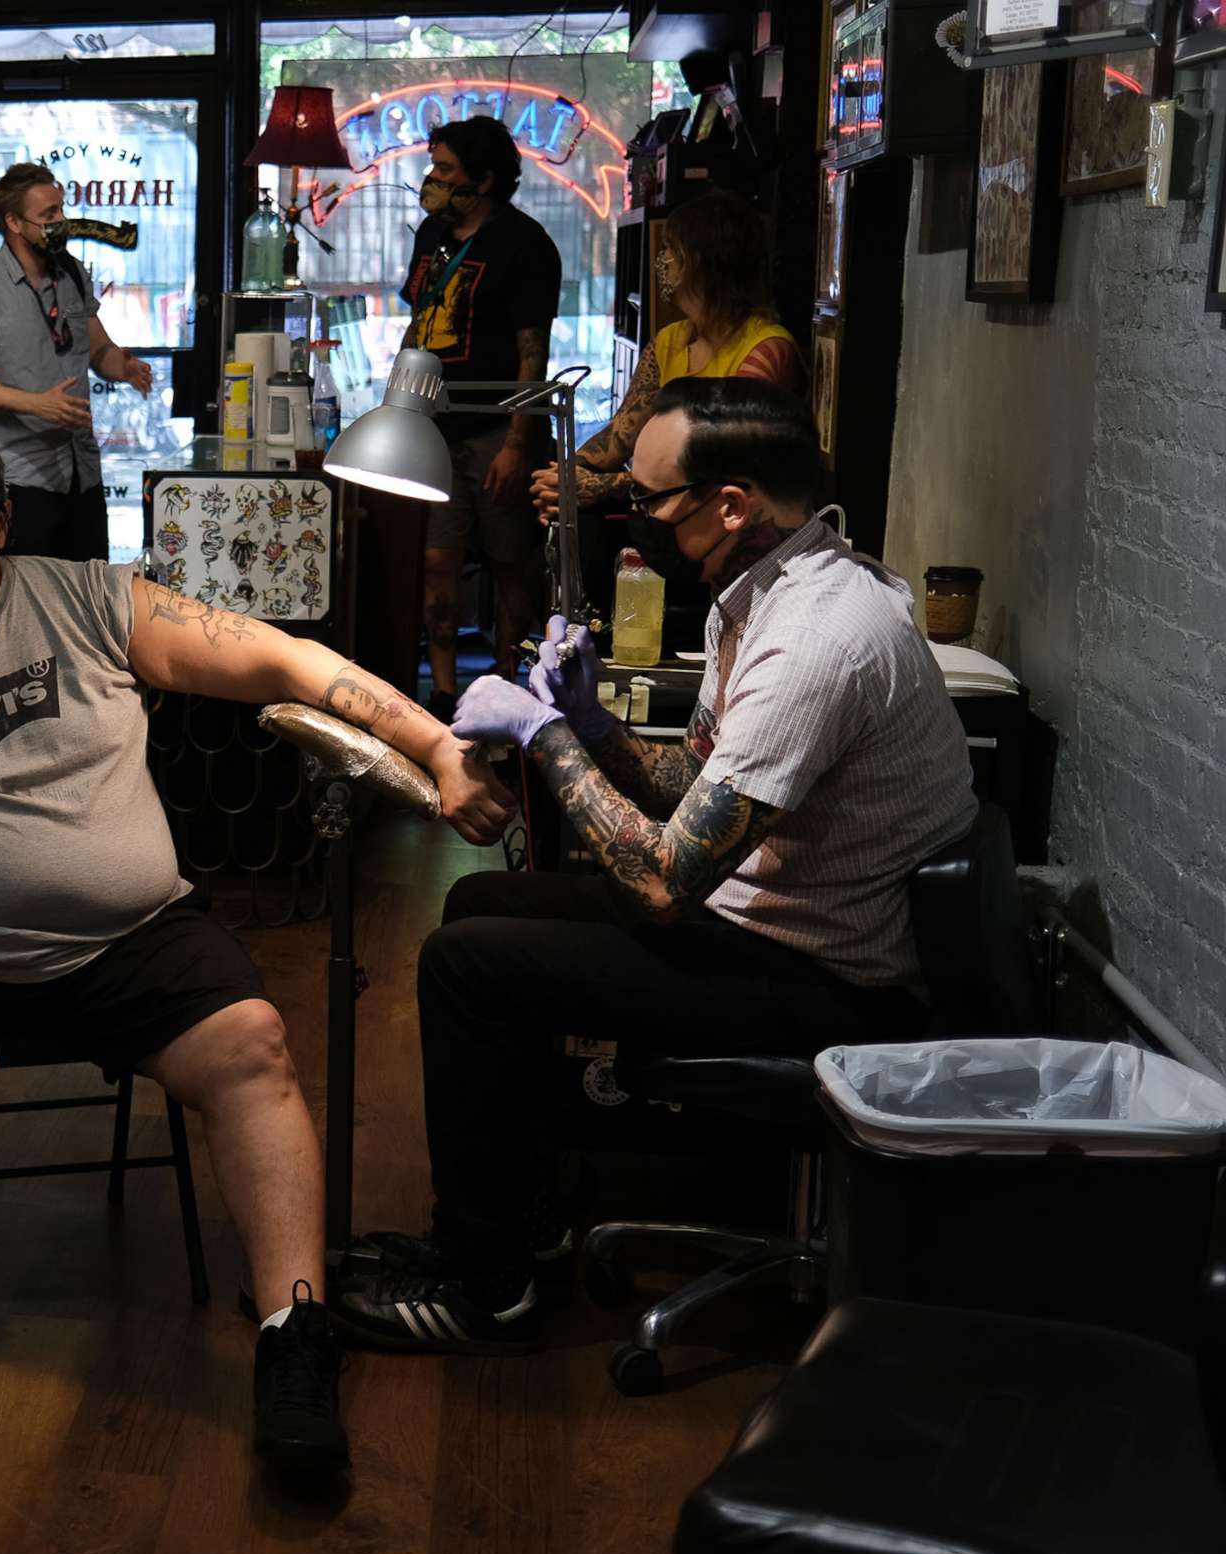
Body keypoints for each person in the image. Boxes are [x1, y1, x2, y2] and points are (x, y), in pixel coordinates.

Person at [0, 417, 515, 1468]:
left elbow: (283, 660)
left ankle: (293, 1333)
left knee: (254, 1043)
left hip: (125, 946)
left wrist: (439, 746)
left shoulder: (89, 599)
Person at [334, 378, 975, 1354]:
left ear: (732, 504)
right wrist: (590, 719)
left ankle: (481, 1284)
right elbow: (697, 784)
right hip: (770, 919)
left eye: (653, 500)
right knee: (477, 900)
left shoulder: (817, 641)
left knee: (466, 967)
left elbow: (664, 880)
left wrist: (545, 734)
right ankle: (527, 1221)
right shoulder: (765, 594)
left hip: (833, 980)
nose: (631, 515)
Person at [399, 114, 563, 721]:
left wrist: (519, 442)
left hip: (498, 428)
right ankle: (441, 694)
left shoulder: (525, 245)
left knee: (510, 561)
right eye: (433, 168)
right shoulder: (429, 236)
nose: (432, 180)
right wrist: (401, 411)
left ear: (485, 180)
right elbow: (417, 324)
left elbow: (532, 352)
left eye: (446, 170)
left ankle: (510, 687)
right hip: (435, 425)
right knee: (437, 561)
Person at [532, 190, 802, 524]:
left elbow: (720, 465)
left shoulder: (767, 348)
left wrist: (604, 486)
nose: (662, 261)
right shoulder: (670, 340)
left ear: (700, 261)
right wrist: (565, 476)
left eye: (669, 249)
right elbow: (621, 434)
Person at [0, 164, 158, 562]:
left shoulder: (72, 273)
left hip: (81, 472)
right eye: (48, 216)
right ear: (13, 222)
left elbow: (98, 349)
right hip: (18, 480)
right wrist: (36, 403)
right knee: (28, 608)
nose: (60, 222)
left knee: (88, 598)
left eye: (60, 210)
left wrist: (124, 368)